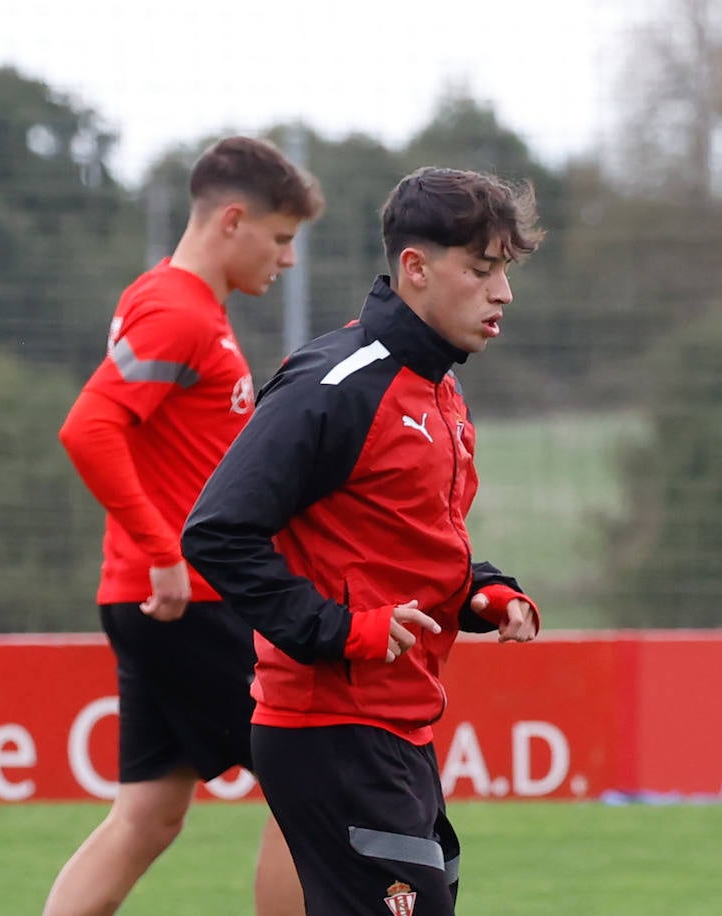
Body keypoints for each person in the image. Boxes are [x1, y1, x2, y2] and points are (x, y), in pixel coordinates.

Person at [180, 166, 544, 916]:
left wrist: (482, 593)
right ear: (414, 268)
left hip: (397, 727)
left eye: (503, 272)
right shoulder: (337, 382)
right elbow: (216, 533)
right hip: (333, 730)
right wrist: (342, 631)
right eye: (480, 271)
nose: (502, 293)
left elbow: (401, 548)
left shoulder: (439, 386)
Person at [45, 136, 325, 916]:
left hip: (159, 595)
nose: (288, 260)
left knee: (147, 815)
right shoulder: (175, 311)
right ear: (231, 220)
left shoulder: (179, 303)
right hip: (190, 597)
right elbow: (89, 427)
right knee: (309, 778)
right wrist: (163, 552)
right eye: (280, 239)